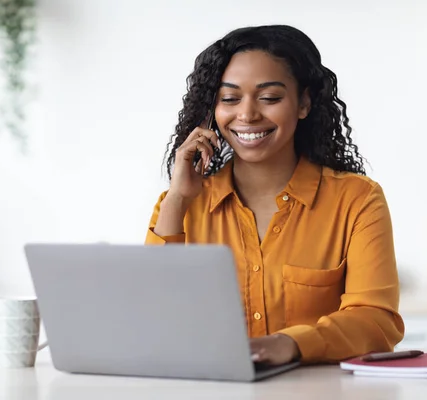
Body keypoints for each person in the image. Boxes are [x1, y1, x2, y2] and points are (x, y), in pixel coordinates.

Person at [146, 25, 404, 366]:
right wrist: (178, 199)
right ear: (212, 110)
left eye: (269, 98)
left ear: (303, 103)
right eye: (229, 98)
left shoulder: (357, 200)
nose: (248, 114)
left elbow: (376, 322)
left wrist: (289, 344)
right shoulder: (179, 205)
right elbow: (150, 319)